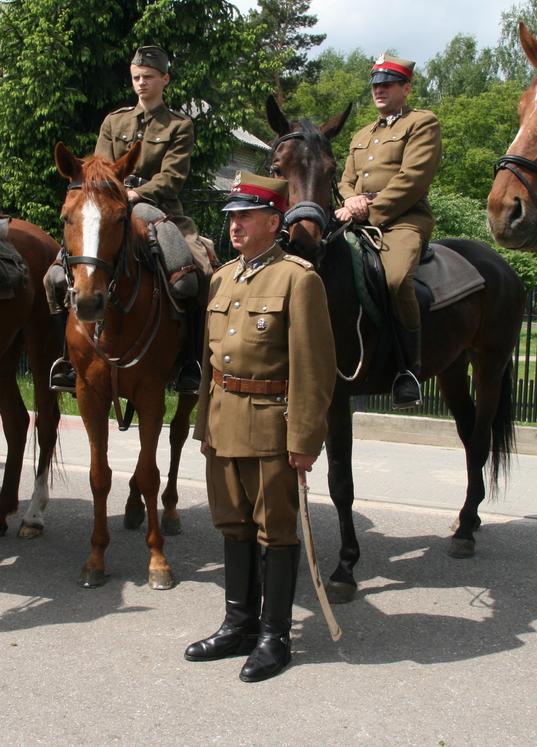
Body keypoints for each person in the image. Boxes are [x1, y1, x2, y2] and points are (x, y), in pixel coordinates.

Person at [186, 172, 335, 683]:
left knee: (275, 531)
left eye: (245, 216)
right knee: (232, 524)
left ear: (274, 221)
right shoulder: (222, 277)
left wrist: (305, 439)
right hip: (224, 421)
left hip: (273, 425)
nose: (235, 224)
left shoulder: (299, 278)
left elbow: (313, 368)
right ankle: (238, 624)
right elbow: (209, 363)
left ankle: (275, 635)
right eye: (231, 216)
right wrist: (204, 422)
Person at [49, 45, 212, 393]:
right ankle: (66, 358)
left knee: (195, 273)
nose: (141, 83)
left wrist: (138, 193)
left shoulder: (179, 125)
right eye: (136, 77)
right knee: (54, 277)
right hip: (111, 208)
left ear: (164, 80)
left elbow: (173, 177)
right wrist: (116, 194)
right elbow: (100, 169)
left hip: (160, 209)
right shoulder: (114, 121)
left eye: (149, 77)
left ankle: (192, 364)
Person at [335, 54, 441, 408]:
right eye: (376, 85)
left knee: (395, 280)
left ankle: (408, 369)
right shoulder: (362, 133)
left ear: (406, 88)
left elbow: (413, 180)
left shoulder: (422, 123)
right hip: (353, 218)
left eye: (388, 84)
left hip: (403, 220)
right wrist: (350, 203)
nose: (379, 90)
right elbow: (346, 181)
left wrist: (370, 209)